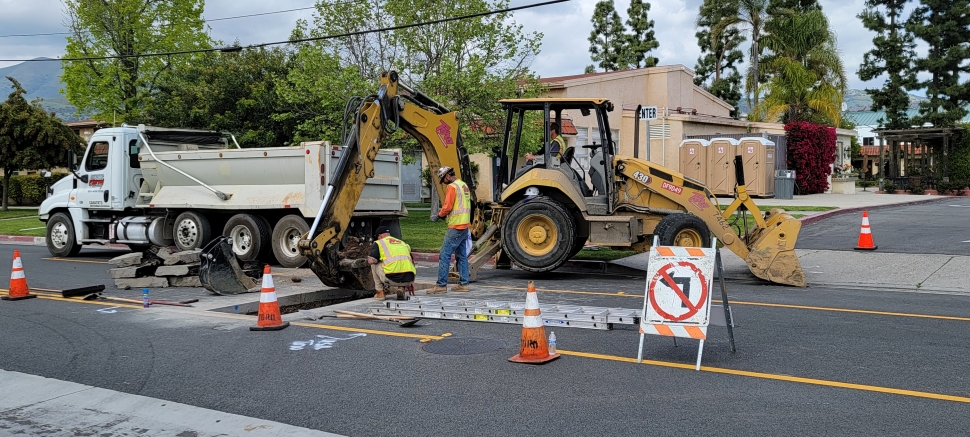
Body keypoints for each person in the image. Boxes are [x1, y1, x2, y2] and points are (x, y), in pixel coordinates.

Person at [429, 166, 471, 294]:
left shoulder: (452, 187)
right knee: (461, 256)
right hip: (465, 225)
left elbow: (447, 207)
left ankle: (441, 285)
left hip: (456, 226)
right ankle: (464, 284)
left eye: (443, 180)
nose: (444, 183)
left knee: (444, 255)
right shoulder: (463, 185)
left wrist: (439, 215)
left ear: (447, 176)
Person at [367, 226, 416, 301]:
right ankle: (401, 288)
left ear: (380, 235)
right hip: (409, 279)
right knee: (403, 264)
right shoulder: (402, 243)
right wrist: (411, 281)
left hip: (390, 279)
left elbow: (371, 261)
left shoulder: (379, 243)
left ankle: (380, 292)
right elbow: (411, 262)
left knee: (374, 265)